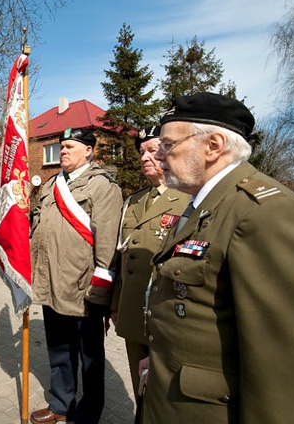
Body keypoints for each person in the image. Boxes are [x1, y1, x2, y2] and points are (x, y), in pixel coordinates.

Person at [140, 92, 294, 423]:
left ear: (212, 146)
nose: (160, 155)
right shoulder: (201, 203)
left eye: (169, 145)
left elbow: (291, 372)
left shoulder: (265, 214)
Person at [30, 128, 123, 424]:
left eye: (70, 146)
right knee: (59, 351)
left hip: (84, 287)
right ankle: (61, 404)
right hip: (51, 282)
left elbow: (108, 242)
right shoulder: (50, 184)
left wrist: (102, 289)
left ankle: (89, 412)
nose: (63, 151)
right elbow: (37, 224)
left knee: (90, 357)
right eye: (62, 146)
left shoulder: (103, 186)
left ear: (88, 150)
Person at [109, 125, 190, 399]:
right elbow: (123, 257)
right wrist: (115, 303)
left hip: (167, 315)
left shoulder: (190, 199)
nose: (144, 158)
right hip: (132, 310)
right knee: (139, 386)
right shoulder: (134, 201)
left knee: (164, 394)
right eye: (142, 152)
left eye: (152, 151)